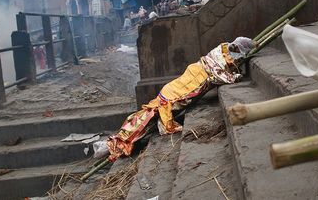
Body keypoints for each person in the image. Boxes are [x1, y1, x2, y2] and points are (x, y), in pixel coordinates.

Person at [107, 37, 256, 161]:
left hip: (177, 87)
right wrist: (235, 76)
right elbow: (220, 74)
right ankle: (123, 142)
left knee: (149, 118)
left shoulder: (221, 51)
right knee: (147, 119)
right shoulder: (219, 56)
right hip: (177, 91)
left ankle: (126, 140)